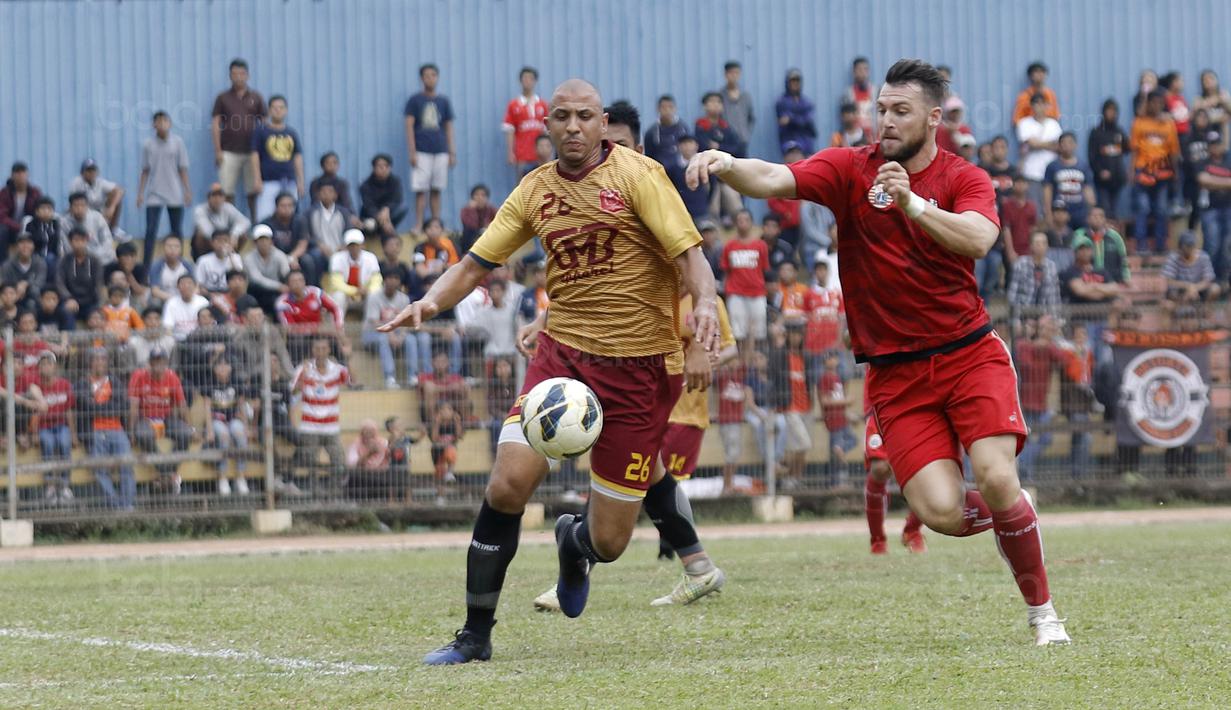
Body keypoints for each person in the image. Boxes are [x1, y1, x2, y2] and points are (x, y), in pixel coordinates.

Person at [687, 58, 1070, 645]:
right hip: (895, 376)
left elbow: (981, 238)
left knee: (994, 474)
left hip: (970, 354)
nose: (885, 121)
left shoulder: (965, 177)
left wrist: (914, 203)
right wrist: (728, 164)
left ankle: (1044, 613)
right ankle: (1017, 515)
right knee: (941, 513)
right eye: (881, 110)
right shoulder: (848, 168)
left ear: (933, 118)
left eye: (900, 111)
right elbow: (774, 178)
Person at [381, 78, 720, 664]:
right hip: (562, 359)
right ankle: (474, 635)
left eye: (584, 116)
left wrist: (706, 309)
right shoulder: (534, 190)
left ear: (601, 120)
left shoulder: (639, 177)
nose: (572, 126)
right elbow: (475, 263)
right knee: (506, 484)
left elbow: (690, 258)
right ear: (546, 125)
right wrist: (428, 303)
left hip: (640, 370)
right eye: (560, 116)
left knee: (610, 543)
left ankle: (575, 540)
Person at [862, 392, 926, 555]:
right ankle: (877, 539)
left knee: (925, 469)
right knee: (879, 468)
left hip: (921, 403)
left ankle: (912, 530)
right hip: (883, 400)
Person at [129, 347, 192, 494]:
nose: (158, 364)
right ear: (150, 362)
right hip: (145, 418)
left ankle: (166, 473)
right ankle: (168, 474)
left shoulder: (172, 376)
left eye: (162, 361)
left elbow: (182, 404)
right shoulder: (139, 375)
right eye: (155, 361)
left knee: (185, 434)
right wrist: (131, 431)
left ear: (166, 362)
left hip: (166, 418)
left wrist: (191, 428)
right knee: (143, 435)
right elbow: (133, 407)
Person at [78, 347, 135, 510]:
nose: (99, 362)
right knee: (99, 470)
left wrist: (97, 406)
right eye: (96, 359)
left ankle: (127, 506)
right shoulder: (82, 383)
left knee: (127, 465)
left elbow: (121, 407)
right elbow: (86, 407)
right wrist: (107, 406)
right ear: (89, 363)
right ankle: (116, 506)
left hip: (117, 430)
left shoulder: (115, 382)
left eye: (103, 359)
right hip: (94, 432)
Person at [291, 337, 348, 493]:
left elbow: (352, 381)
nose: (321, 352)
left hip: (331, 426)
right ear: (312, 350)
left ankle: (334, 492)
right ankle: (315, 492)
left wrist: (347, 356)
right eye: (317, 349)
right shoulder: (303, 368)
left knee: (338, 460)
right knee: (311, 462)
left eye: (324, 348)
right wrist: (301, 381)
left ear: (329, 350)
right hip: (310, 426)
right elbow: (292, 391)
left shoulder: (337, 369)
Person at [211, 58, 266, 218]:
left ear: (247, 75)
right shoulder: (223, 98)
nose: (238, 77)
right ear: (230, 76)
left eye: (242, 74)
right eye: (234, 74)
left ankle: (256, 225)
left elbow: (264, 125)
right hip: (228, 151)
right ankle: (229, 224)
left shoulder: (256, 97)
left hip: (252, 152)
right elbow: (215, 124)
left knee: (253, 191)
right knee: (227, 191)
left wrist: (262, 151)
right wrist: (218, 150)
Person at [404, 63, 456, 233]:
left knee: (436, 189)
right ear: (421, 78)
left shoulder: (443, 101)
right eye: (426, 75)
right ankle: (419, 224)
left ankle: (435, 224)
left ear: (437, 77)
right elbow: (409, 126)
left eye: (433, 75)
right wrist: (412, 151)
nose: (430, 78)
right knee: (421, 190)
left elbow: (448, 126)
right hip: (421, 151)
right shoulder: (415, 100)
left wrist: (451, 151)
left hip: (440, 150)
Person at [137, 110, 193, 269]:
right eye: (159, 121)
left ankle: (180, 264)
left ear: (170, 124)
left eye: (165, 121)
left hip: (174, 192)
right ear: (154, 125)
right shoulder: (148, 144)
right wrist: (140, 193)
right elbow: (145, 170)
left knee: (176, 230)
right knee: (151, 231)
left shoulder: (178, 143)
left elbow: (182, 169)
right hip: (154, 193)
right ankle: (146, 267)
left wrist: (187, 191)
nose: (162, 124)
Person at [1131, 90, 1180, 255]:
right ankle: (1141, 245)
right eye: (1154, 102)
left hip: (1163, 171)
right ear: (1148, 103)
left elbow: (1173, 151)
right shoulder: (1139, 122)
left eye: (1160, 102)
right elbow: (1134, 150)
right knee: (1142, 208)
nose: (1157, 105)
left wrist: (1176, 171)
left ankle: (1160, 245)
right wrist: (1131, 171)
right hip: (1142, 169)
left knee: (1161, 209)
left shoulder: (1169, 124)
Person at [720, 209, 768, 355]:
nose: (743, 223)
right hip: (736, 293)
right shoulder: (729, 246)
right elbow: (725, 271)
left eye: (746, 220)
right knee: (738, 332)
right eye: (739, 220)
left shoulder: (761, 245)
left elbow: (764, 269)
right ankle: (740, 363)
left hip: (757, 292)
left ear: (751, 223)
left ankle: (753, 361)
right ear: (735, 223)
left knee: (758, 332)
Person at [27, 352, 74, 502]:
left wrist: (73, 433)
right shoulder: (35, 386)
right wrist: (34, 433)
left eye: (49, 364)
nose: (46, 367)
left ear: (55, 367)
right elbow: (34, 411)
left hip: (61, 425)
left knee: (64, 442)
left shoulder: (64, 384)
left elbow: (69, 410)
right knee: (47, 443)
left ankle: (64, 485)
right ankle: (50, 486)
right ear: (38, 368)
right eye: (43, 364)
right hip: (44, 426)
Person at [363, 268, 422, 388]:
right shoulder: (374, 297)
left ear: (400, 282)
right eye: (389, 278)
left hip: (395, 332)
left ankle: (413, 376)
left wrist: (401, 336)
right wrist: (390, 335)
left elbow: (406, 321)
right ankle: (389, 377)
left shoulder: (404, 299)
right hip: (372, 333)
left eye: (396, 278)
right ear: (384, 280)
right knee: (383, 339)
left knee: (411, 339)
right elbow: (374, 322)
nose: (392, 281)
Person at [250, 95, 305, 221]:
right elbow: (254, 155)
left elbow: (297, 157)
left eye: (281, 108)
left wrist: (300, 181)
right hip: (268, 182)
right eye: (274, 108)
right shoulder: (261, 131)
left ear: (286, 110)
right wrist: (257, 179)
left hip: (290, 181)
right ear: (269, 111)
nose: (278, 110)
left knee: (291, 217)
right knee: (265, 216)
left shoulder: (291, 133)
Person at [275, 269, 349, 363]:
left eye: (300, 280)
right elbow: (290, 328)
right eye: (294, 281)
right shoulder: (282, 302)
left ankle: (344, 373)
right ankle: (295, 374)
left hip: (318, 335)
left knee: (335, 344)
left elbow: (336, 308)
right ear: (288, 285)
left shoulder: (316, 292)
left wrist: (338, 326)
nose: (298, 284)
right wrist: (316, 329)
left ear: (304, 281)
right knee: (295, 347)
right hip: (298, 338)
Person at [204, 357, 250, 495]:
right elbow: (207, 408)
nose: (223, 368)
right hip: (216, 420)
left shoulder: (236, 382)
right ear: (214, 369)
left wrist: (246, 427)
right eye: (219, 365)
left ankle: (241, 476)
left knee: (240, 434)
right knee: (223, 435)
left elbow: (241, 405)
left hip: (233, 419)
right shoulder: (209, 383)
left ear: (230, 367)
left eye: (226, 364)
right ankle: (222, 477)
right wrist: (210, 430)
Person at [695, 92, 744, 223]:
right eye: (711, 102)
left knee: (736, 208)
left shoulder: (726, 128)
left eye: (718, 102)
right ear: (705, 106)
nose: (715, 105)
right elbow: (703, 148)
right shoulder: (700, 127)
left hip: (726, 176)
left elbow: (737, 148)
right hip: (708, 176)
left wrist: (719, 147)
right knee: (712, 211)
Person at [305, 180, 358, 284]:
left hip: (340, 249)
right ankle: (316, 286)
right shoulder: (310, 213)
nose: (326, 195)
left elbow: (349, 232)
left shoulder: (344, 212)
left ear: (335, 195)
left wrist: (344, 246)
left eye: (330, 192)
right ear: (318, 195)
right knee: (314, 256)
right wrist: (319, 245)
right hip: (321, 251)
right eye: (323, 192)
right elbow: (307, 235)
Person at [1042, 132, 1096, 230]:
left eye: (1070, 143)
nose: (1067, 146)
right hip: (1060, 212)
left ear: (1075, 145)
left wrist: (1092, 211)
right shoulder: (1052, 166)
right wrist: (1048, 213)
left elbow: (1088, 190)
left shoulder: (1083, 166)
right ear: (1059, 146)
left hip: (1080, 212)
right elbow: (1047, 190)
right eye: (1064, 143)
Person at [1016, 93, 1062, 206]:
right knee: (1035, 207)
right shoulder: (1024, 123)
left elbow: (1058, 146)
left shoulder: (1054, 124)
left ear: (1047, 106)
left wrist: (1038, 143)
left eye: (1043, 104)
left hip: (1052, 171)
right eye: (1037, 104)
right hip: (1032, 172)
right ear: (1031, 106)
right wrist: (1049, 144)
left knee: (1053, 206)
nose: (1040, 107)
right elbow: (1030, 143)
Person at [1088, 100, 1130, 220]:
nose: (1112, 114)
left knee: (1114, 211)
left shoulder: (1119, 131)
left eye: (1114, 111)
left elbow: (1127, 150)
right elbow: (1091, 157)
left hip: (1117, 179)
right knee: (1104, 210)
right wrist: (1100, 171)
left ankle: (1112, 235)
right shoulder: (1096, 132)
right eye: (1109, 110)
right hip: (1102, 181)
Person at [1007, 231, 1062, 322]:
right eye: (1037, 243)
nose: (1040, 246)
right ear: (1031, 246)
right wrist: (1017, 320)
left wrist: (1055, 320)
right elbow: (1012, 295)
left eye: (1043, 243)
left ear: (1047, 246)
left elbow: (1054, 297)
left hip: (1044, 315)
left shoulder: (1052, 267)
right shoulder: (1020, 264)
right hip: (1023, 314)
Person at [503, 67, 549, 174]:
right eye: (525, 78)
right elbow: (509, 130)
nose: (527, 81)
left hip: (540, 155)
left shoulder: (542, 104)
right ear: (520, 81)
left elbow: (548, 129)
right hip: (522, 154)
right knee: (522, 184)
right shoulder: (514, 105)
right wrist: (510, 152)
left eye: (530, 78)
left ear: (535, 81)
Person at [1198, 138, 1231, 283]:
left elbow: (1209, 182)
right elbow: (1203, 180)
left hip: (1228, 208)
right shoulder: (1203, 162)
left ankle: (1222, 281)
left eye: (1218, 144)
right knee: (1212, 244)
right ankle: (1207, 281)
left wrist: (1214, 182)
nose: (1215, 147)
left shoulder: (1228, 161)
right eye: (1212, 144)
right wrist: (1227, 183)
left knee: (1226, 246)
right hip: (1209, 210)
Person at [325, 229, 381, 313]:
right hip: (346, 297)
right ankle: (337, 325)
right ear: (346, 246)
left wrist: (368, 291)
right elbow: (337, 284)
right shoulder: (337, 258)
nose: (354, 248)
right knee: (338, 296)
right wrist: (355, 291)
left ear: (362, 245)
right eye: (351, 245)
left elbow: (377, 281)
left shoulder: (371, 258)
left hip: (364, 296)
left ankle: (371, 325)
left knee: (374, 295)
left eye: (357, 245)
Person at [1071, 206, 1130, 284]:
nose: (1097, 219)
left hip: (1112, 281)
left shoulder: (1115, 236)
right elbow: (1072, 257)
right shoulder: (1079, 235)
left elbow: (1123, 259)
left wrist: (1126, 277)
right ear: (1087, 219)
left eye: (1100, 216)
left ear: (1105, 219)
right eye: (1094, 216)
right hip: (1086, 282)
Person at [191, 183, 250, 259]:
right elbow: (207, 231)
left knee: (243, 234)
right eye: (214, 195)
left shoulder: (228, 207)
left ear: (224, 198)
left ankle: (232, 256)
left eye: (220, 196)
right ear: (208, 198)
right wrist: (220, 242)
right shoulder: (200, 210)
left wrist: (234, 235)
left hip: (226, 240)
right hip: (211, 241)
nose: (217, 199)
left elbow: (245, 221)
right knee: (200, 235)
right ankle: (201, 259)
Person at [55, 228, 103, 318]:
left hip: (90, 302)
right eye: (76, 240)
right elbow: (60, 283)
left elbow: (98, 283)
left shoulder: (95, 261)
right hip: (71, 300)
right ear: (70, 242)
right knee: (65, 313)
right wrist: (68, 298)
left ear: (87, 241)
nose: (79, 243)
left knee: (97, 317)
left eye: (82, 240)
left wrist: (97, 304)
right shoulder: (64, 261)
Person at [1162, 231, 1220, 304]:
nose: (1190, 248)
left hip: (1199, 290)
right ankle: (1179, 308)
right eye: (1187, 246)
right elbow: (1168, 281)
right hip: (1180, 291)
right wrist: (1187, 286)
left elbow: (1208, 280)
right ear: (1180, 247)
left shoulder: (1203, 257)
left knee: (1215, 288)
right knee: (1169, 300)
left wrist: (1194, 288)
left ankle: (1205, 309)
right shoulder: (1173, 257)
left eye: (1191, 245)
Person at [244, 224, 291, 313]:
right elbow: (256, 278)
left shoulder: (280, 255)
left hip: (275, 292)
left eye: (266, 239)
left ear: (271, 241)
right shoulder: (248, 258)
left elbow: (286, 273)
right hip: (257, 290)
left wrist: (287, 285)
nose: (264, 243)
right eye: (260, 240)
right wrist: (278, 286)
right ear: (255, 243)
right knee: (254, 287)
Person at [359, 154, 406, 240]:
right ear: (374, 168)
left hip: (389, 214)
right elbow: (368, 206)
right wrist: (382, 219)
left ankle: (388, 230)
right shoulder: (365, 185)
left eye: (386, 166)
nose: (383, 169)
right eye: (380, 166)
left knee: (403, 207)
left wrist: (387, 209)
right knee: (370, 225)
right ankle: (385, 231)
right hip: (372, 216)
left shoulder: (395, 182)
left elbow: (397, 200)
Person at [62, 191, 116, 265]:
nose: (79, 208)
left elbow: (107, 241)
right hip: (77, 259)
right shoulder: (64, 222)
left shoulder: (97, 218)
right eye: (76, 205)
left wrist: (94, 256)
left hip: (101, 257)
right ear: (70, 207)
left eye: (82, 205)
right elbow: (67, 247)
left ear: (87, 206)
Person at [70, 159, 124, 230]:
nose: (91, 173)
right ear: (82, 173)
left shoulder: (100, 182)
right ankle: (79, 230)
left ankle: (113, 230)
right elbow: (73, 202)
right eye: (88, 170)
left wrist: (111, 208)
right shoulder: (76, 183)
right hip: (84, 211)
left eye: (93, 170)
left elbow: (120, 190)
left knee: (116, 199)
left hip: (100, 211)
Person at [0, 162, 43, 251]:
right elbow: (2, 216)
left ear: (27, 175)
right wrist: (18, 226)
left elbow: (39, 211)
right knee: (2, 230)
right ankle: (2, 262)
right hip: (11, 229)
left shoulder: (35, 193)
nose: (21, 176)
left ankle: (38, 258)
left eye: (23, 173)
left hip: (29, 226)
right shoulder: (4, 193)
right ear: (12, 176)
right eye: (17, 173)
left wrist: (28, 225)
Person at [665, 135, 709, 220]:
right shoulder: (672, 168)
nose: (687, 147)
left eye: (690, 143)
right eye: (684, 144)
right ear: (678, 147)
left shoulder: (704, 164)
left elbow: (712, 186)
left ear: (696, 145)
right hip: (680, 211)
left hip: (701, 210)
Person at [1, 233, 47, 312]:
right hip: (13, 298)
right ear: (16, 246)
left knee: (33, 300)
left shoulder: (40, 262)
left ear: (33, 246)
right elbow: (5, 285)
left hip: (33, 298)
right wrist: (16, 290)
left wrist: (26, 284)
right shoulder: (7, 265)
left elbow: (40, 283)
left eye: (29, 242)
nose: (25, 246)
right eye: (22, 243)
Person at [346, 419, 390, 500]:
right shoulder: (355, 445)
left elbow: (391, 460)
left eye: (372, 431)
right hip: (363, 476)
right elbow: (352, 464)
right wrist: (368, 454)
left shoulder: (384, 443)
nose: (369, 434)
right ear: (361, 433)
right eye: (366, 431)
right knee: (353, 478)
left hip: (381, 475)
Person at [776, 68, 816, 155]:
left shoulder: (806, 102)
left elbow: (808, 121)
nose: (795, 84)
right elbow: (783, 122)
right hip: (790, 145)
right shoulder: (781, 102)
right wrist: (799, 119)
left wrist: (791, 119)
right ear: (787, 83)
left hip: (807, 145)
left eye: (797, 81)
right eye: (792, 81)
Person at [195, 230, 245, 298]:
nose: (222, 243)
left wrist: (230, 255)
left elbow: (238, 278)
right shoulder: (203, 260)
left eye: (225, 240)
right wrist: (211, 295)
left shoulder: (236, 258)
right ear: (212, 243)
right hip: (210, 292)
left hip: (230, 293)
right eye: (218, 240)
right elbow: (200, 285)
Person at [644, 94, 690, 167]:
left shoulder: (683, 128)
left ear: (675, 109)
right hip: (661, 171)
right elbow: (649, 157)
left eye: (670, 107)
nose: (667, 110)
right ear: (658, 109)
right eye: (664, 108)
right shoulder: (651, 132)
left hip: (681, 171)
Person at [148, 234, 193, 307]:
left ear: (181, 248)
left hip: (184, 298)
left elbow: (196, 287)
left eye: (176, 246)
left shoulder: (187, 265)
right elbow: (155, 291)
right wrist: (174, 300)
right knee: (154, 301)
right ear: (163, 248)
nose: (173, 249)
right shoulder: (156, 265)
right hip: (164, 299)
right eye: (169, 246)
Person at [719, 60, 753, 157]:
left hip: (742, 140)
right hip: (726, 142)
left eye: (736, 73)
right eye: (731, 73)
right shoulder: (720, 95)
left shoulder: (745, 95)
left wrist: (746, 133)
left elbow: (751, 118)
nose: (734, 76)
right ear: (726, 75)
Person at [162, 273, 209, 342]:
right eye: (183, 284)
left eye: (189, 283)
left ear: (195, 286)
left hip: (200, 338)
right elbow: (168, 327)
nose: (186, 286)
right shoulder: (171, 303)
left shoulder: (203, 301)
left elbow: (209, 323)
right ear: (177, 287)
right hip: (178, 340)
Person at [842, 57, 877, 136]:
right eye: (859, 70)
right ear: (854, 72)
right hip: (855, 139)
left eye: (865, 69)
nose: (863, 73)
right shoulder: (848, 94)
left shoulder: (876, 92)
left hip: (874, 137)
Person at [459, 184, 497, 254]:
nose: (480, 198)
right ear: (472, 197)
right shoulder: (466, 210)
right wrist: (472, 210)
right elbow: (472, 226)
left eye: (483, 195)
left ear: (487, 198)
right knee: (468, 232)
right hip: (471, 239)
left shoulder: (492, 210)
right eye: (476, 195)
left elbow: (498, 224)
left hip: (488, 240)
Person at [1193, 69, 1231, 136]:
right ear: (1202, 83)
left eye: (1211, 78)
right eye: (1205, 79)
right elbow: (1195, 117)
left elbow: (1228, 115)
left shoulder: (1224, 95)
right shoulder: (1198, 99)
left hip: (1223, 135)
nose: (1208, 81)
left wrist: (1224, 101)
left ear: (1216, 80)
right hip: (1204, 136)